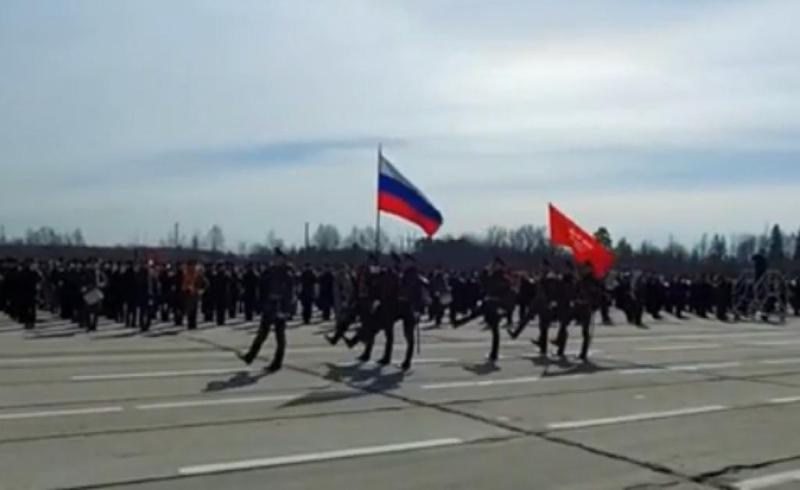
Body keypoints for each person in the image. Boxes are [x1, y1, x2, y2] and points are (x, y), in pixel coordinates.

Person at [237, 249, 294, 371]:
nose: (276, 260)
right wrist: (260, 304)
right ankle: (250, 356)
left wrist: (285, 310)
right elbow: (262, 289)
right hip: (269, 306)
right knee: (262, 334)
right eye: (275, 258)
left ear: (283, 260)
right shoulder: (269, 272)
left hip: (280, 306)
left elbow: (289, 294)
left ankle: (277, 363)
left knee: (280, 337)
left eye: (279, 258)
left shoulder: (287, 274)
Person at [181, 260, 208, 330]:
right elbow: (183, 285)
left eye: (193, 265)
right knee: (190, 310)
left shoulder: (197, 274)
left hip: (195, 294)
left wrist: (201, 290)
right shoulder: (185, 274)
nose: (191, 267)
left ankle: (194, 324)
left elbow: (205, 283)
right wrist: (186, 287)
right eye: (190, 265)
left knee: (195, 309)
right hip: (188, 294)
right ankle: (190, 324)